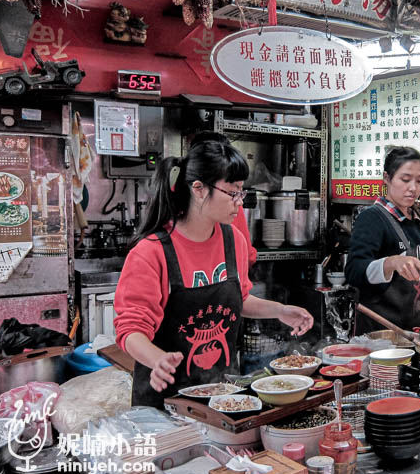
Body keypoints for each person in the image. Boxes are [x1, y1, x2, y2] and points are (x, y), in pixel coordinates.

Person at [114, 132, 312, 408]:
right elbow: (130, 329)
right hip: (164, 403)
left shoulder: (234, 241)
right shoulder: (151, 252)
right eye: (232, 193)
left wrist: (280, 311)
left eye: (241, 192)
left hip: (222, 395)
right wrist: (156, 359)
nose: (240, 202)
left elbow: (239, 300)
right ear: (198, 189)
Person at [345, 146, 420, 335]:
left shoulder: (413, 220)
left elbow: (405, 273)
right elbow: (354, 272)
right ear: (387, 178)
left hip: (412, 329)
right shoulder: (372, 218)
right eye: (405, 180)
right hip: (381, 333)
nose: (413, 188)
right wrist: (391, 262)